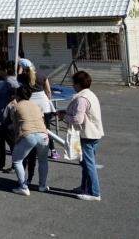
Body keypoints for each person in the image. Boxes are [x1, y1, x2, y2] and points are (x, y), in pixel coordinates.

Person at [59, 70, 104, 201]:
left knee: (88, 164)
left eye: (73, 83)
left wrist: (64, 116)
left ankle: (95, 193)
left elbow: (78, 119)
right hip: (95, 133)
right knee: (86, 163)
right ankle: (85, 187)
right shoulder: (90, 94)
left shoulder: (81, 99)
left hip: (87, 134)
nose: (72, 86)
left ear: (78, 85)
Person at [7, 85, 50, 196]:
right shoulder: (37, 106)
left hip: (28, 135)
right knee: (43, 160)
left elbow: (17, 127)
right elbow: (42, 121)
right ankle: (42, 185)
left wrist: (17, 139)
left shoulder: (15, 107)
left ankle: (24, 187)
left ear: (17, 96)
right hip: (43, 135)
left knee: (17, 160)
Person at [18, 58, 59, 159]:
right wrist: (48, 100)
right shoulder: (42, 75)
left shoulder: (22, 77)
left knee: (32, 128)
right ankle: (53, 150)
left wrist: (20, 68)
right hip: (44, 103)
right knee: (47, 128)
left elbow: (17, 77)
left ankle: (32, 149)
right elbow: (48, 90)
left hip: (32, 105)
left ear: (22, 68)